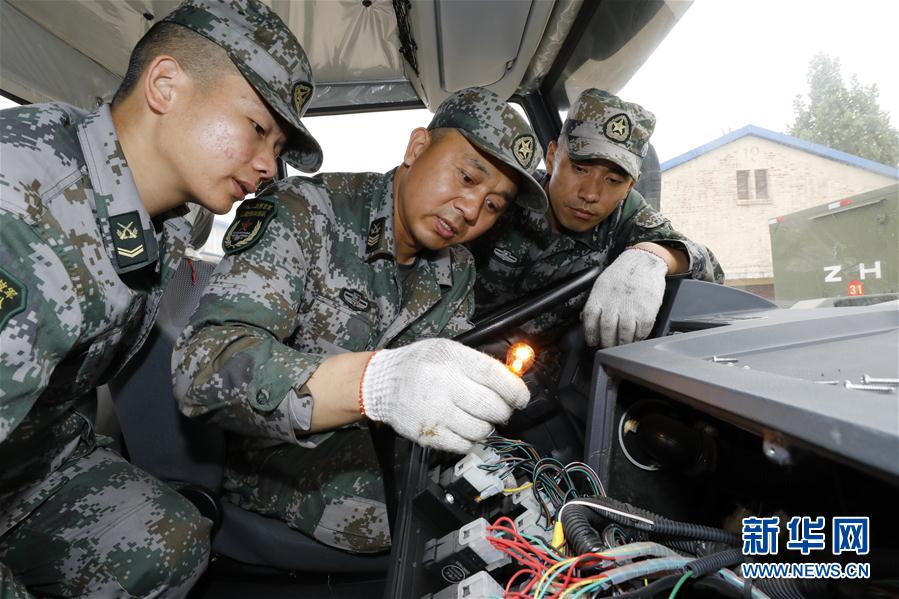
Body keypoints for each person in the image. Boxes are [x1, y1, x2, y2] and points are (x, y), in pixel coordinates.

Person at [0, 0, 321, 595]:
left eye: (278, 148)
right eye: (257, 128)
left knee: (173, 542)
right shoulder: (20, 212)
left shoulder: (170, 209)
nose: (268, 167)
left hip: (36, 461)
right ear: (165, 86)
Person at [172, 87, 547, 554]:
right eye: (468, 178)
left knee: (511, 490)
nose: (471, 210)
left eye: (493, 206)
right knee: (402, 517)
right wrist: (373, 384)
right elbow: (205, 368)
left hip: (392, 442)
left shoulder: (458, 269)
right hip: (276, 448)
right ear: (417, 148)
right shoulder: (303, 212)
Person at [470, 88, 724, 347]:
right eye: (580, 168)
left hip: (536, 371)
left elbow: (710, 270)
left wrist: (652, 256)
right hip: (456, 342)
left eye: (613, 180)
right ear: (551, 157)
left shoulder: (626, 216)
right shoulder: (509, 192)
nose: (591, 194)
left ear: (629, 186)